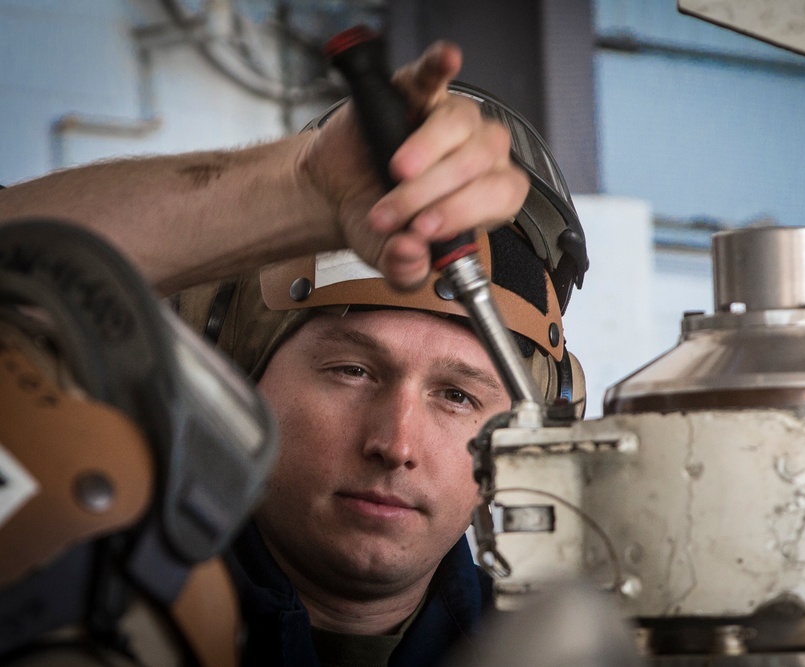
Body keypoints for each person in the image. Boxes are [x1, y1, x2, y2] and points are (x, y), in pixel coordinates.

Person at [0, 41, 587, 667]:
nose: (396, 444)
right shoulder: (82, 582)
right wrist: (299, 189)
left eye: (456, 395)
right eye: (353, 371)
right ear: (229, 367)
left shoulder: (563, 647)